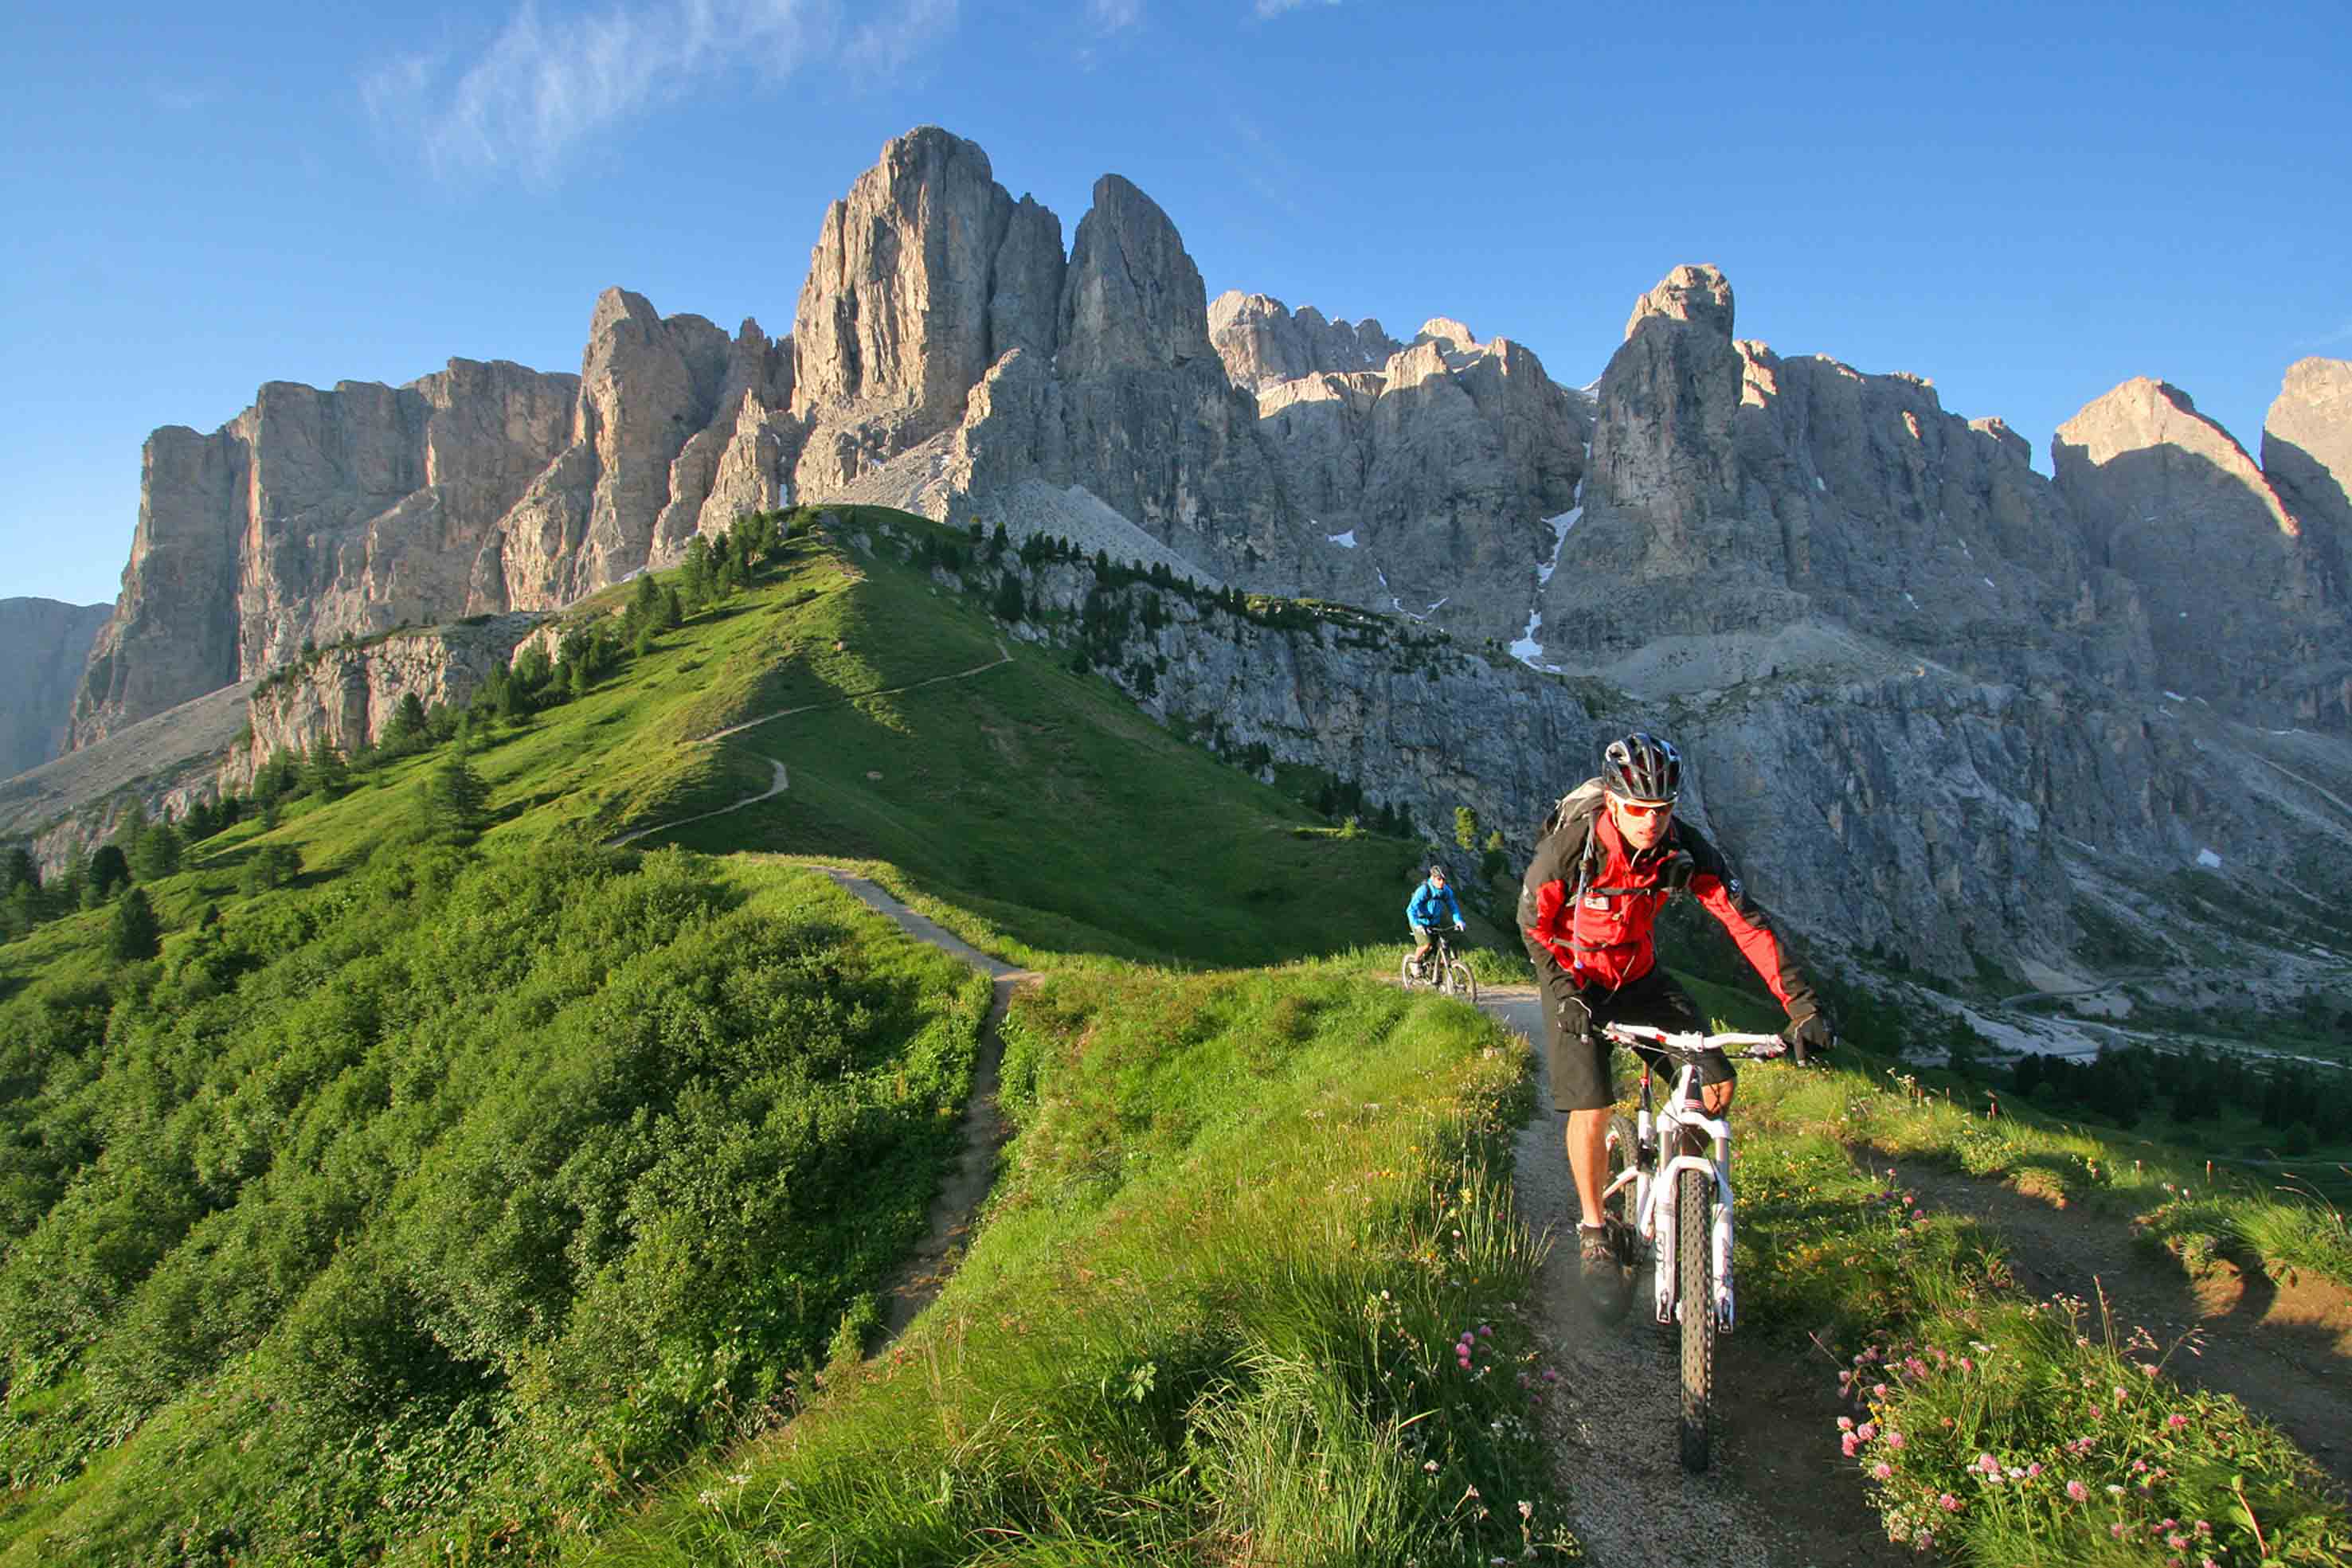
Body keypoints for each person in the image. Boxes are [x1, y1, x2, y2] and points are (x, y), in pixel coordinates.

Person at [1518, 732, 1835, 1316]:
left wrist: (1801, 1005)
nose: (1649, 821)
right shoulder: (1571, 847)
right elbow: (1532, 922)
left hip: (1639, 978)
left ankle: (1682, 1195)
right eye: (1637, 809)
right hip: (1577, 983)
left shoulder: (1682, 850)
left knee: (1713, 1086)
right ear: (1612, 802)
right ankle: (1593, 1231)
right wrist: (1563, 992)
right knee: (1590, 1106)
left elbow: (1746, 925)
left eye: (1661, 810)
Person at [1406, 864, 1465, 978]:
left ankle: (1437, 975)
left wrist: (1458, 921)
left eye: (1444, 879)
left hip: (1434, 923)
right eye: (1439, 879)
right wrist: (1417, 925)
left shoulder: (1446, 891)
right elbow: (1410, 909)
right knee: (1426, 944)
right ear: (1433, 878)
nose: (1442, 882)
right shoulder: (1424, 890)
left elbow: (1453, 907)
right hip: (1419, 922)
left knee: (1442, 946)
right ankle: (1415, 963)